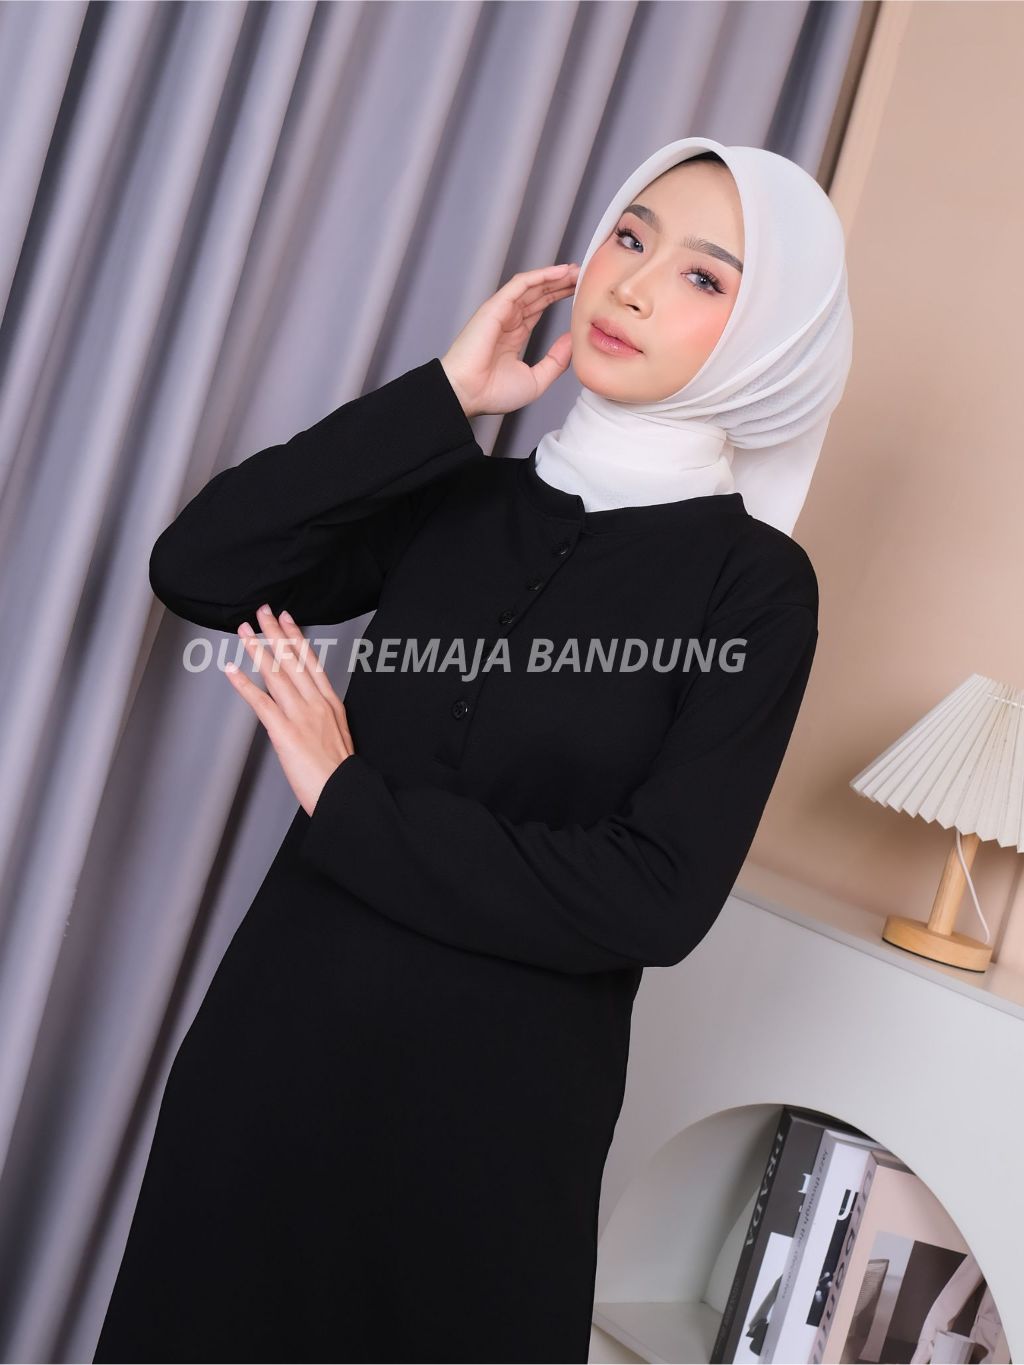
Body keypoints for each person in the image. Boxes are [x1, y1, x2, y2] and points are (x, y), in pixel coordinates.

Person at [93, 136, 852, 1364]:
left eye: (703, 276)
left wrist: (350, 799)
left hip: (489, 1138)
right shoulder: (463, 495)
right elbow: (202, 567)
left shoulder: (755, 588)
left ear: (772, 337)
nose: (633, 284)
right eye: (629, 236)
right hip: (271, 1065)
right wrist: (443, 396)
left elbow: (652, 898)